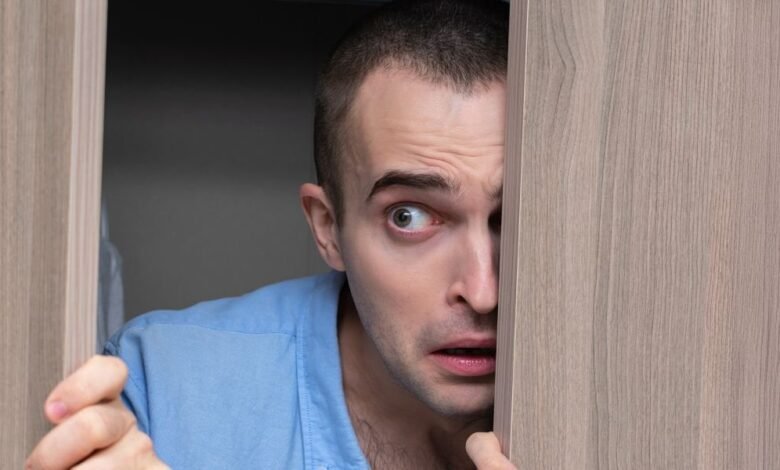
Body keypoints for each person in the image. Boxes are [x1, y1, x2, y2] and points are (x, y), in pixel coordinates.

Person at [26, 1, 516, 468]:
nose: (482, 292)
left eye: (510, 217)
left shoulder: (568, 406)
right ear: (328, 228)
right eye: (408, 216)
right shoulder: (158, 391)